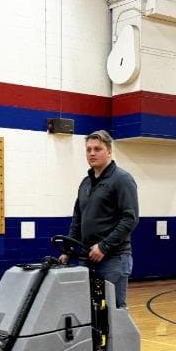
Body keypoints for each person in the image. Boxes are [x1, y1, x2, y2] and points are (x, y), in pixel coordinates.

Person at [59, 130, 139, 308]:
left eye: (97, 149)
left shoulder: (122, 180)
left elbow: (130, 219)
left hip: (113, 260)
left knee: (114, 313)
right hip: (86, 258)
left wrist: (104, 246)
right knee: (88, 314)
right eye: (88, 150)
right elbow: (77, 220)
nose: (92, 153)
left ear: (109, 151)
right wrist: (68, 250)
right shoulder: (85, 183)